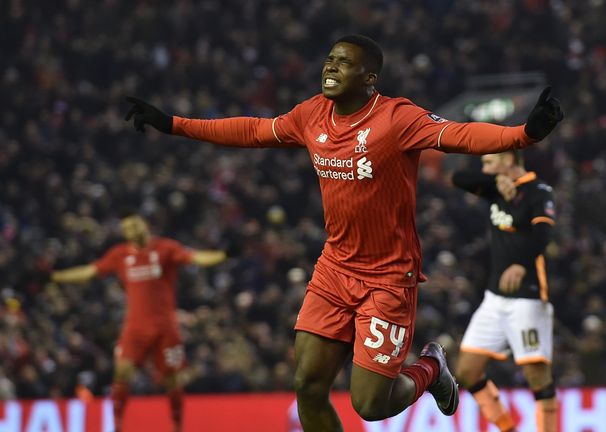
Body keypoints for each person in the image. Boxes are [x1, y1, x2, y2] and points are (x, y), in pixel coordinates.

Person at [124, 34, 563, 430]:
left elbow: (460, 135)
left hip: (389, 278)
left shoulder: (396, 118)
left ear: (369, 78)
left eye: (343, 62)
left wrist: (523, 135)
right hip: (334, 269)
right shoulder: (312, 115)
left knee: (370, 406)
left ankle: (431, 368)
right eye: (329, 59)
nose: (330, 67)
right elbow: (254, 130)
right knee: (307, 386)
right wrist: (174, 124)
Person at [50, 210, 231, 432]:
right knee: (122, 372)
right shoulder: (119, 255)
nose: (131, 231)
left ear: (145, 225)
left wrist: (223, 255)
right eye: (126, 229)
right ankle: (116, 424)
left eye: (134, 226)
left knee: (173, 381)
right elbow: (90, 271)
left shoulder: (166, 248)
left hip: (165, 328)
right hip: (135, 328)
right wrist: (57, 276)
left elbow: (195, 257)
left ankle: (177, 425)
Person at [452, 149, 558, 432]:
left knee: (537, 375)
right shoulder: (494, 187)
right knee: (467, 371)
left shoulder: (539, 192)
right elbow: (457, 177)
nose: (484, 168)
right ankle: (507, 428)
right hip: (494, 298)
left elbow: (543, 236)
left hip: (528, 297)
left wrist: (522, 264)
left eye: (489, 162)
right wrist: (496, 183)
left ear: (508, 160)